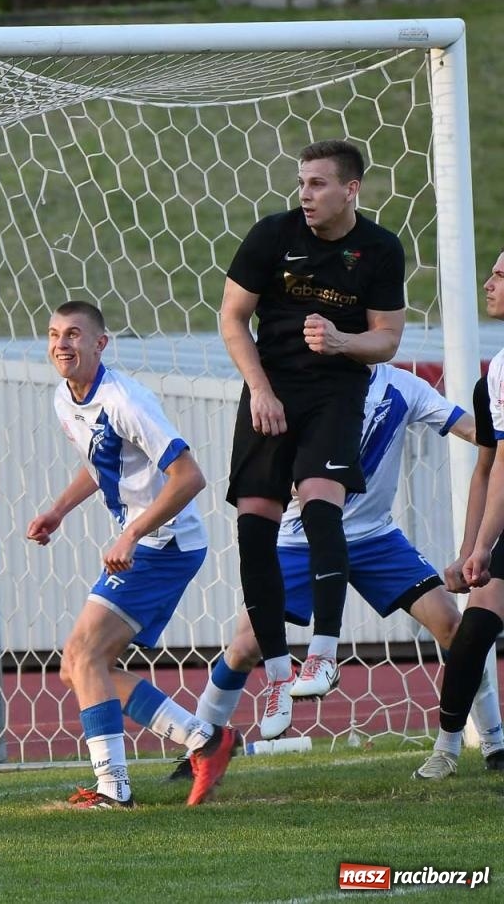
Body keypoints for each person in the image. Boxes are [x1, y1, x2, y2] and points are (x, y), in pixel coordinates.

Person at [175, 362, 503, 782]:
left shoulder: (404, 386)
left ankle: (494, 742)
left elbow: (478, 432)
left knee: (456, 628)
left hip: (375, 539)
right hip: (298, 539)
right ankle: (199, 748)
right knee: (243, 648)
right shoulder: (303, 379)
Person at [219, 138, 407, 739]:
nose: (305, 194)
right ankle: (276, 672)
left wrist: (342, 341)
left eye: (319, 183)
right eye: (302, 182)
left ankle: (323, 653)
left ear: (351, 189)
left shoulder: (379, 249)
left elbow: (388, 340)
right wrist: (261, 392)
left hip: (334, 392)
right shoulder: (271, 236)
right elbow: (231, 317)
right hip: (268, 388)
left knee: (322, 504)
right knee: (255, 523)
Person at [25, 301, 237, 809]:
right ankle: (204, 738)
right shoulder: (65, 397)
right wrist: (58, 511)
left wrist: (132, 535)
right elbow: (101, 464)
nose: (61, 344)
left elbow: (189, 477)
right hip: (147, 544)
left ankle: (113, 790)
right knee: (79, 668)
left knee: (84, 655)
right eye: (54, 334)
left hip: (166, 545)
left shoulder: (125, 400)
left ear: (101, 344)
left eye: (74, 334)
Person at [423, 249, 504, 779]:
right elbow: (488, 469)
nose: (488, 282)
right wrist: (472, 548)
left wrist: (481, 548)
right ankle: (449, 747)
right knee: (473, 630)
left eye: (500, 275)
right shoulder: (495, 373)